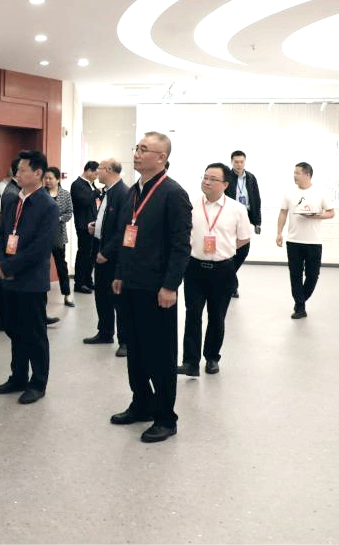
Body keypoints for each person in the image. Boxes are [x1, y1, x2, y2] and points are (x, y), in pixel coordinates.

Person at [110, 132, 192, 443]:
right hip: (130, 284)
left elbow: (180, 246)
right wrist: (120, 272)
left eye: (145, 149)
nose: (137, 153)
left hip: (157, 289)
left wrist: (170, 285)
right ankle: (141, 402)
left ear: (161, 158)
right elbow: (126, 236)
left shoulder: (173, 193)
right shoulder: (134, 191)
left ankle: (166, 417)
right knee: (135, 350)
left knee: (159, 353)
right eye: (137, 148)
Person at [0, 151, 59, 404]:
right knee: (14, 329)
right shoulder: (12, 200)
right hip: (8, 277)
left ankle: (38, 382)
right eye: (17, 169)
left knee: (34, 333)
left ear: (38, 173)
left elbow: (40, 248)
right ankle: (18, 376)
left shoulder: (48, 206)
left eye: (22, 170)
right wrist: (1, 262)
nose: (17, 174)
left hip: (31, 281)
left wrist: (10, 267)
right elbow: (1, 235)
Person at [178, 163, 252, 377]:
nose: (207, 182)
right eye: (205, 177)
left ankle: (212, 358)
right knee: (192, 314)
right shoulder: (191, 205)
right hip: (194, 268)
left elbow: (244, 238)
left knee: (217, 316)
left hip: (222, 270)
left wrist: (224, 250)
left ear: (225, 184)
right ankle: (190, 362)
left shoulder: (236, 209)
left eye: (213, 179)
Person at [276, 162, 335, 319]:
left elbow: (331, 213)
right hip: (293, 241)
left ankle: (300, 300)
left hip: (314, 242)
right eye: (294, 173)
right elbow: (283, 212)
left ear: (307, 175)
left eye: (297, 173)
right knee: (295, 275)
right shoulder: (288, 192)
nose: (294, 175)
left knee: (313, 275)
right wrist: (279, 233)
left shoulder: (320, 192)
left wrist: (315, 216)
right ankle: (300, 307)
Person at [83, 159, 128, 357]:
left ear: (108, 170)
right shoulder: (108, 191)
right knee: (101, 295)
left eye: (99, 169)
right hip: (101, 248)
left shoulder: (123, 193)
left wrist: (106, 253)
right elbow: (108, 219)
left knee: (118, 299)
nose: (97, 172)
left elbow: (123, 229)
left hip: (114, 256)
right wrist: (96, 226)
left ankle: (125, 341)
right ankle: (105, 332)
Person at [224, 150, 261, 298]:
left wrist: (257, 221)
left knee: (243, 251)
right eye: (236, 162)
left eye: (241, 162)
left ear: (245, 162)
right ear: (231, 162)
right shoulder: (226, 177)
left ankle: (228, 280)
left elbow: (256, 199)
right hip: (229, 217)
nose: (239, 164)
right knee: (229, 251)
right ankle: (231, 286)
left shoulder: (251, 177)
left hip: (245, 216)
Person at [43, 166, 74, 308]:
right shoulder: (41, 193)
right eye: (46, 178)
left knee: (61, 265)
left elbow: (69, 212)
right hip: (43, 234)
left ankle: (67, 295)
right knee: (43, 266)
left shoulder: (65, 194)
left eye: (50, 178)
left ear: (57, 179)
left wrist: (58, 218)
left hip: (58, 233)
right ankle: (42, 297)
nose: (47, 181)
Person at [70, 160, 100, 294]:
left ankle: (88, 280)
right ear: (88, 171)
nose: (97, 177)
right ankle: (79, 283)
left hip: (93, 224)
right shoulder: (77, 184)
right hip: (83, 225)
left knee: (92, 254)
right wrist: (96, 192)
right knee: (84, 254)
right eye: (95, 174)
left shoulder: (90, 184)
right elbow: (84, 201)